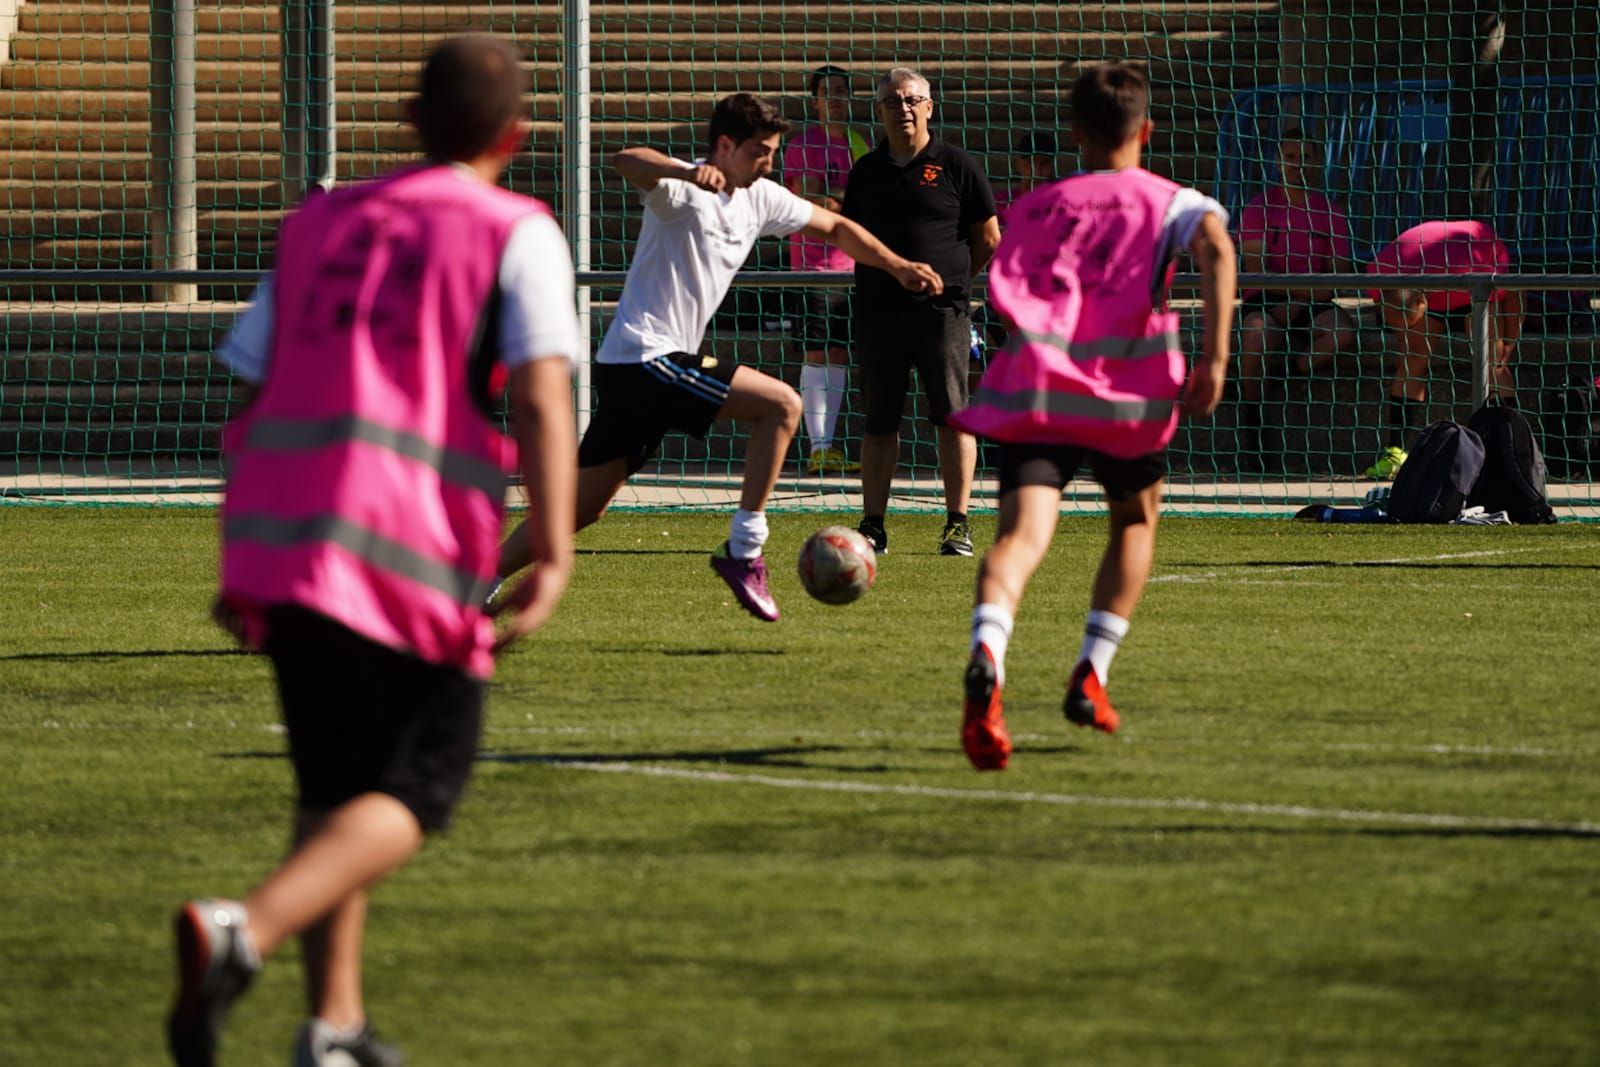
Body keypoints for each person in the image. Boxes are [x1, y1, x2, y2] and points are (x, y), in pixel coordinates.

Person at [165, 36, 580, 1067]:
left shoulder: (318, 220)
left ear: (407, 119)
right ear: (515, 137)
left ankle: (333, 1028)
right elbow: (539, 395)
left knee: (333, 789)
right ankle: (241, 931)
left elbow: (254, 386)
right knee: (424, 781)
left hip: (290, 539)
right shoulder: (513, 228)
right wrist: (558, 550)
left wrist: (239, 550)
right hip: (404, 541)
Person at [496, 92, 944, 621]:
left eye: (774, 151)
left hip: (639, 365)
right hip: (644, 356)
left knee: (581, 510)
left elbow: (837, 228)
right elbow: (626, 161)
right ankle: (744, 548)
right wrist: (688, 173)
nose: (769, 162)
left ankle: (474, 581)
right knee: (781, 404)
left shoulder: (760, 196)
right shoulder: (682, 191)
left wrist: (896, 266)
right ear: (725, 146)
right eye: (759, 151)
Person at [949, 61, 1235, 771]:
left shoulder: (1041, 205)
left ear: (1075, 134)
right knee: (1134, 520)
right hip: (1126, 397)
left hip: (1038, 390)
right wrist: (1216, 359)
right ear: (1147, 129)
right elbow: (1218, 246)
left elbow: (1004, 272)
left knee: (1019, 539)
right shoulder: (1170, 201)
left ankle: (989, 648)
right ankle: (1091, 672)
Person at [843, 67, 1000, 557]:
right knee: (879, 421)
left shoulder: (958, 165)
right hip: (877, 313)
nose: (903, 108)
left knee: (952, 417)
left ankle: (957, 524)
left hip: (943, 315)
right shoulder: (865, 171)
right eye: (892, 101)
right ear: (880, 110)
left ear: (930, 106)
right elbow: (854, 238)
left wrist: (954, 281)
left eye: (912, 100)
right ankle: (873, 525)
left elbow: (989, 238)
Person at [1233, 129, 1359, 472]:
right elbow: (1256, 270)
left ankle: (1286, 371)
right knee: (1257, 335)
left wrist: (1301, 300)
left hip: (1311, 298)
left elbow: (1339, 275)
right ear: (1277, 162)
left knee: (1343, 333)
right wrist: (1293, 296)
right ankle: (1252, 424)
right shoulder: (1260, 208)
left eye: (1306, 157)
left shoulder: (1330, 212)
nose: (1298, 165)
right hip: (1267, 298)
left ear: (1318, 162)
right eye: (1290, 157)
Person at [1363, 218, 1522, 478]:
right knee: (1412, 357)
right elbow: (1400, 318)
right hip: (1428, 274)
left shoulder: (1479, 261)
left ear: (1424, 300)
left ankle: (1512, 449)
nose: (1401, 330)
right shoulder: (1381, 273)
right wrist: (1405, 328)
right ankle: (1396, 450)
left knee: (1494, 363)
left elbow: (1516, 295)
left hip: (1473, 280)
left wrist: (1510, 342)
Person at [783, 64, 872, 474]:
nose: (835, 98)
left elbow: (861, 201)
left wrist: (840, 198)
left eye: (841, 90)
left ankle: (828, 446)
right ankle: (817, 447)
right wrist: (845, 197)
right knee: (816, 350)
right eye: (827, 91)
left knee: (839, 351)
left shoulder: (859, 143)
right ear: (814, 100)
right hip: (812, 264)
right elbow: (812, 203)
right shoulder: (803, 145)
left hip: (852, 264)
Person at [992, 130, 1059, 231]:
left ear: (1053, 166)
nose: (1037, 170)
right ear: (1017, 164)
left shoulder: (1060, 203)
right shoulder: (1001, 202)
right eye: (1030, 162)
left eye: (1044, 163)